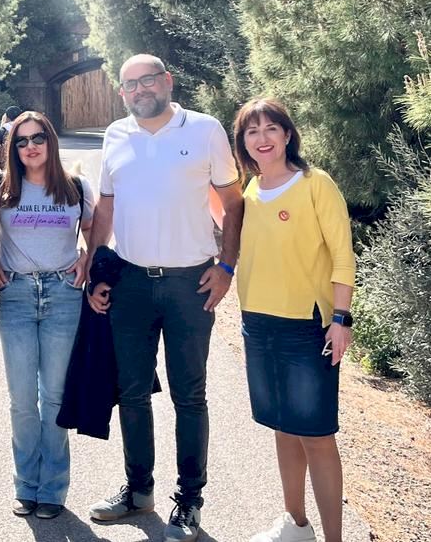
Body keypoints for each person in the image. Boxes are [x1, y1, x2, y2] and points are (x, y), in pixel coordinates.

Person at [87, 54, 243, 541]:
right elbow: (106, 206)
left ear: (167, 81)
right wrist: (95, 271)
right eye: (130, 84)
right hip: (131, 282)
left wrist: (227, 267)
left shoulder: (205, 129)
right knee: (131, 392)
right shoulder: (115, 135)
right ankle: (139, 490)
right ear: (122, 93)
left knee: (188, 395)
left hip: (189, 283)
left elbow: (233, 201)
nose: (140, 90)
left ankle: (189, 500)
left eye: (148, 80)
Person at [233, 99, 355, 542]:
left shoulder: (315, 183)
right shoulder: (250, 190)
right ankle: (296, 525)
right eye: (252, 131)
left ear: (287, 134)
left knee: (316, 436)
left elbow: (342, 254)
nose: (262, 138)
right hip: (258, 323)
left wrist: (341, 318)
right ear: (243, 142)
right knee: (283, 427)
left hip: (307, 327)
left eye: (271, 128)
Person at [0, 111, 94, 519]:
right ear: (12, 149)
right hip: (16, 295)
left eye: (38, 138)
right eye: (21, 141)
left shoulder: (76, 187)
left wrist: (88, 256)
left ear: (50, 141)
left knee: (54, 397)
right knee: (22, 399)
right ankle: (26, 485)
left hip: (63, 295)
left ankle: (52, 488)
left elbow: (95, 232)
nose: (30, 146)